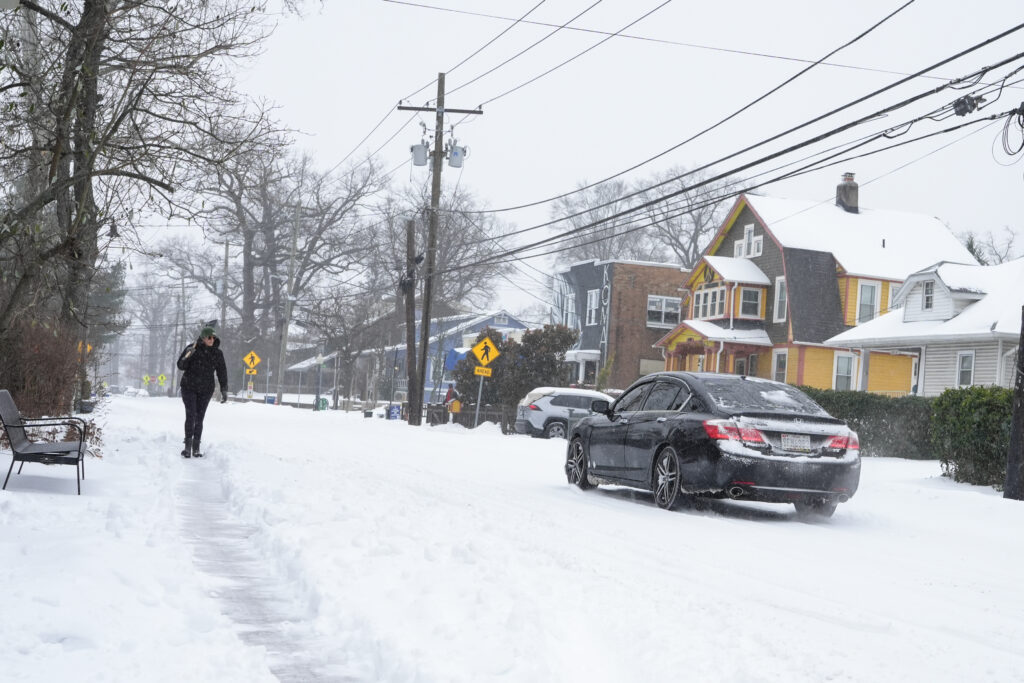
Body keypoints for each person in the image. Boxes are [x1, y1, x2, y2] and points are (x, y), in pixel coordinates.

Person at [176, 326, 228, 458]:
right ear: (203, 338)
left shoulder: (217, 353)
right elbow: (181, 366)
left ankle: (196, 448)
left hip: (206, 389)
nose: (212, 340)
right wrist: (188, 354)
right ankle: (187, 447)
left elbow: (222, 372)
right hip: (189, 387)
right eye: (209, 337)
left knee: (199, 418)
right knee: (191, 415)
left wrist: (224, 388)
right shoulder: (192, 348)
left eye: (213, 337)